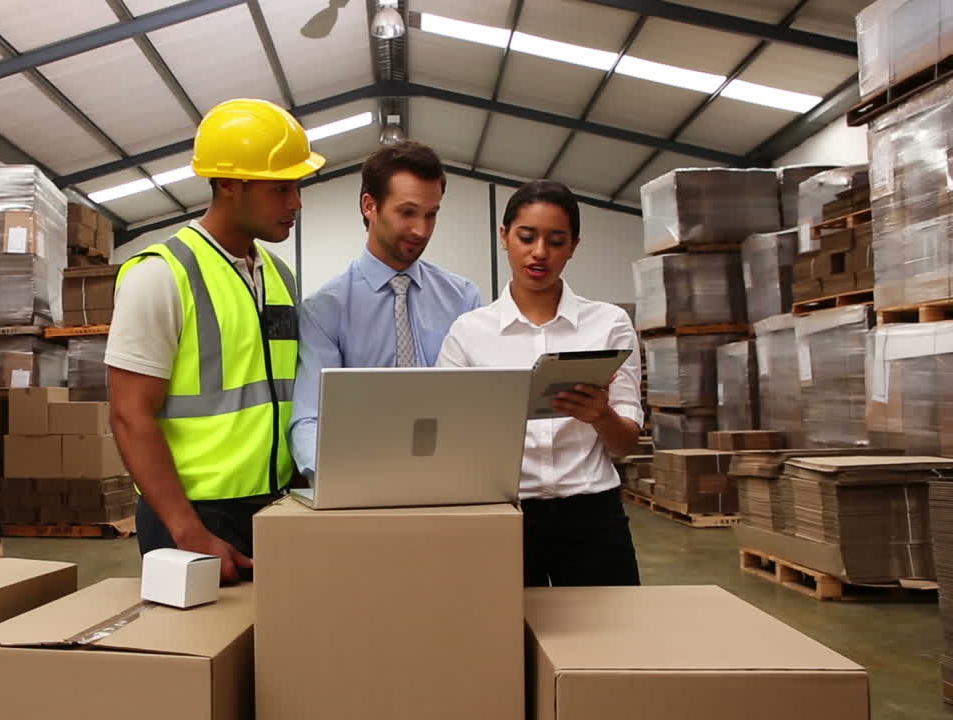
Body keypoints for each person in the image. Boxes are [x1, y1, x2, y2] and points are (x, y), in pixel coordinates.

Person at [105, 98, 323, 583]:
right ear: (227, 183)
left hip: (277, 508)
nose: (296, 203)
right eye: (280, 188)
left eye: (297, 186)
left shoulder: (280, 276)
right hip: (193, 516)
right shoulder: (161, 274)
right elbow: (129, 413)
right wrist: (187, 530)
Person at [437, 180, 642, 588]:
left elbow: (626, 444)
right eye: (526, 237)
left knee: (610, 646)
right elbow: (448, 438)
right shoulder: (469, 332)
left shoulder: (609, 324)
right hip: (503, 517)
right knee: (505, 646)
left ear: (574, 246)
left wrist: (601, 416)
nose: (540, 253)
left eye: (557, 240)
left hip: (593, 518)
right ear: (504, 237)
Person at [289, 141, 481, 478]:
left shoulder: (463, 299)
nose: (421, 230)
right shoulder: (326, 310)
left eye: (431, 214)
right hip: (360, 479)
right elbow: (309, 418)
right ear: (370, 206)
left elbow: (480, 403)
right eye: (407, 212)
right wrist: (336, 480)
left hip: (450, 477)